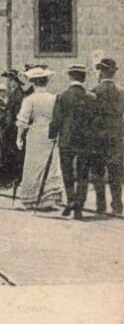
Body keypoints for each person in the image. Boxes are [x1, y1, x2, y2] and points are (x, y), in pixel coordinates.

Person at [49, 63, 98, 219]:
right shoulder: (91, 97)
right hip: (86, 141)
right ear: (84, 78)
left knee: (67, 172)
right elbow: (95, 121)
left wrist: (52, 135)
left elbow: (56, 120)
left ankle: (70, 200)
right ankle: (79, 205)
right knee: (83, 174)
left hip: (67, 140)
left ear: (70, 77)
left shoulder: (62, 96)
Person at [15, 66, 64, 210]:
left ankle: (33, 199)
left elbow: (22, 121)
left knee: (34, 165)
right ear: (46, 82)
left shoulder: (30, 99)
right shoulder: (54, 98)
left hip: (35, 134)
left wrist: (19, 137)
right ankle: (48, 199)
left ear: (33, 82)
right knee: (51, 165)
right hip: (51, 135)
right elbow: (58, 118)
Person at [91, 58, 122, 218]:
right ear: (113, 73)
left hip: (97, 138)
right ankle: (117, 205)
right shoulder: (121, 92)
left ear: (101, 72)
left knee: (97, 172)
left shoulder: (94, 91)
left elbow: (88, 117)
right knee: (115, 172)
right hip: (116, 138)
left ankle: (100, 205)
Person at [0, 69, 27, 188]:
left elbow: (16, 112)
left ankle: (13, 179)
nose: (9, 83)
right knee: (9, 154)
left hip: (13, 129)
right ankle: (8, 179)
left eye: (11, 80)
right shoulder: (14, 93)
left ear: (17, 81)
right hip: (10, 128)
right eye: (9, 80)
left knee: (13, 154)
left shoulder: (18, 94)